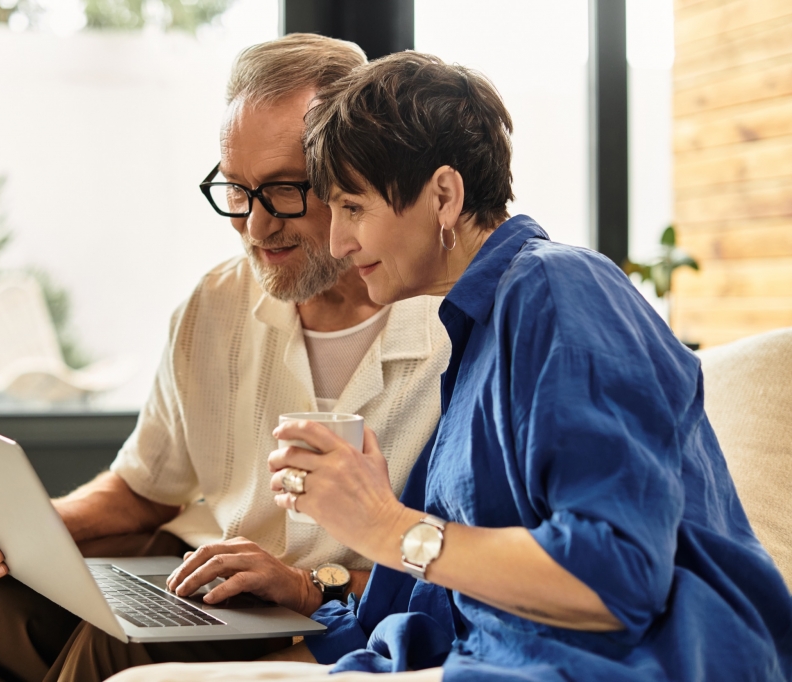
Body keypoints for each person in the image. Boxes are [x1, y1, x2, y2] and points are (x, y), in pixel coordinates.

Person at [117, 52, 792, 681]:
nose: (337, 240)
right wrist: (314, 579)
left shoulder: (561, 290)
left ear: (443, 196)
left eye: (353, 207)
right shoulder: (475, 337)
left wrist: (385, 523)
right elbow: (449, 597)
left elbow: (614, 578)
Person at [0, 36, 451, 681]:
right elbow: (142, 487)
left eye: (285, 191)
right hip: (213, 576)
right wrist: (32, 526)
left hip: (338, 605)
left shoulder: (447, 328)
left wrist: (302, 581)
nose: (254, 227)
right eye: (236, 190)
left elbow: (447, 565)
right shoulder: (215, 304)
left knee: (120, 650)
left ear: (356, 174)